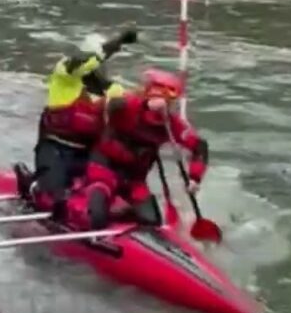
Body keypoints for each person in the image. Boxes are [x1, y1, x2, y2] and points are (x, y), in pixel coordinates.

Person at [15, 28, 137, 220]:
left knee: (114, 192)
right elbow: (79, 63)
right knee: (53, 199)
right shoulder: (64, 75)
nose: (98, 68)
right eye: (96, 62)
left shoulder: (114, 90)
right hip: (55, 147)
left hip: (89, 153)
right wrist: (117, 41)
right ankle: (31, 184)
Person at [77, 68, 209, 230]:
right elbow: (111, 105)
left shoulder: (172, 124)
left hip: (134, 179)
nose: (167, 105)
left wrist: (195, 177)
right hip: (104, 168)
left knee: (152, 221)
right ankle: (88, 205)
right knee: (98, 215)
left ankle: (123, 214)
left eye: (171, 102)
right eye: (164, 99)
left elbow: (200, 147)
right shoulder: (130, 104)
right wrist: (146, 104)